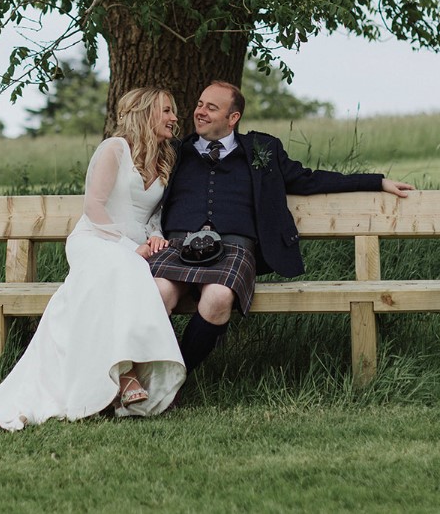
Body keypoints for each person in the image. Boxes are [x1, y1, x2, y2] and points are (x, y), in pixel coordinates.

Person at [0, 88, 186, 433]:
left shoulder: (165, 156)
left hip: (135, 247)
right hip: (96, 239)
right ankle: (123, 374)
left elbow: (151, 213)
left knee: (130, 271)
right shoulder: (114, 150)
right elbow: (94, 207)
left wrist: (154, 235)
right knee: (125, 268)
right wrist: (129, 247)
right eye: (167, 110)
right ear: (145, 113)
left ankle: (119, 377)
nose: (174, 117)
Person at [148, 80, 416, 374]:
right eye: (200, 104)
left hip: (234, 248)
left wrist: (375, 181)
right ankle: (136, 377)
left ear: (233, 118)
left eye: (211, 108)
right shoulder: (175, 151)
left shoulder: (263, 149)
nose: (200, 112)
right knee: (155, 294)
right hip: (176, 246)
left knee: (219, 298)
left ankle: (172, 379)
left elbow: (309, 180)